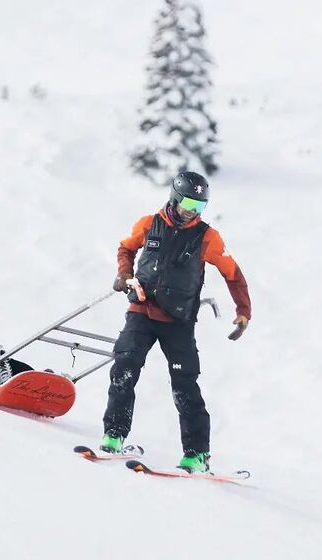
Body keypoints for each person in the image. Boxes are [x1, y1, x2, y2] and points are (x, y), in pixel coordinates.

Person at [101, 171, 251, 472]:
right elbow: (126, 249)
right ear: (174, 197)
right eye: (188, 204)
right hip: (142, 310)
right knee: (125, 366)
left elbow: (232, 273)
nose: (191, 212)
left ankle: (197, 455)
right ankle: (113, 435)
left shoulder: (207, 237)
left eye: (199, 207)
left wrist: (243, 310)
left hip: (178, 320)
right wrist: (125, 275)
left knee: (185, 385)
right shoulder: (149, 223)